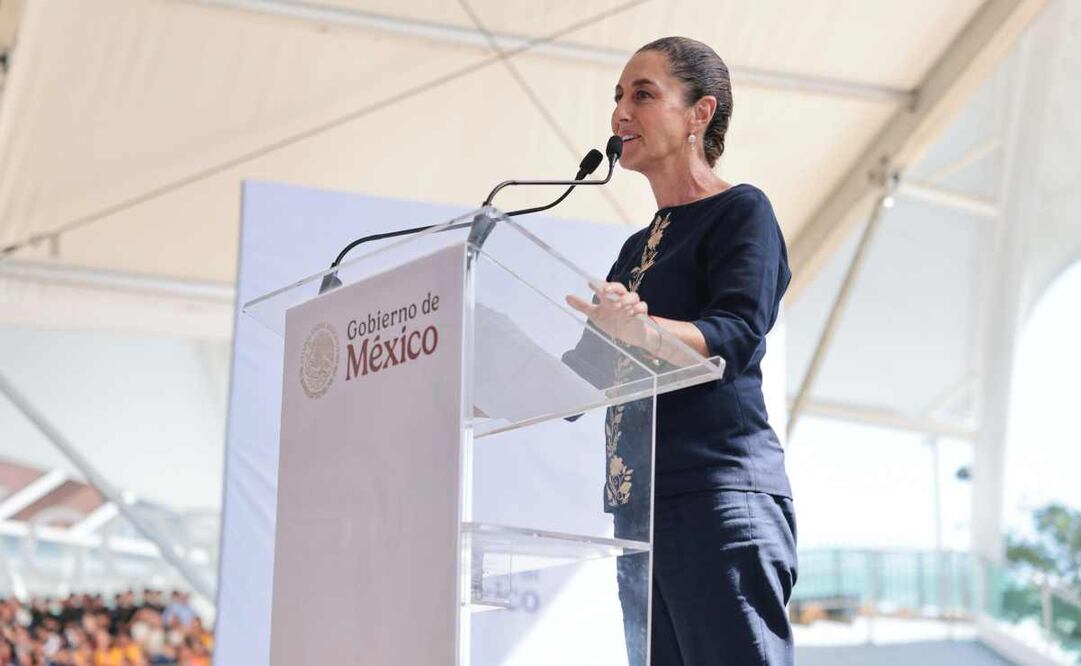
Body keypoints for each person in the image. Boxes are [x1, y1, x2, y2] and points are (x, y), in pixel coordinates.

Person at [564, 36, 797, 665]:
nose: (620, 114)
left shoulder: (740, 211)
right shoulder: (636, 249)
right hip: (640, 512)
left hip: (718, 494)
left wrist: (646, 333)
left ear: (701, 112)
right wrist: (475, 379)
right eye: (617, 97)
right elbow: (584, 374)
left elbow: (737, 332)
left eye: (643, 94)